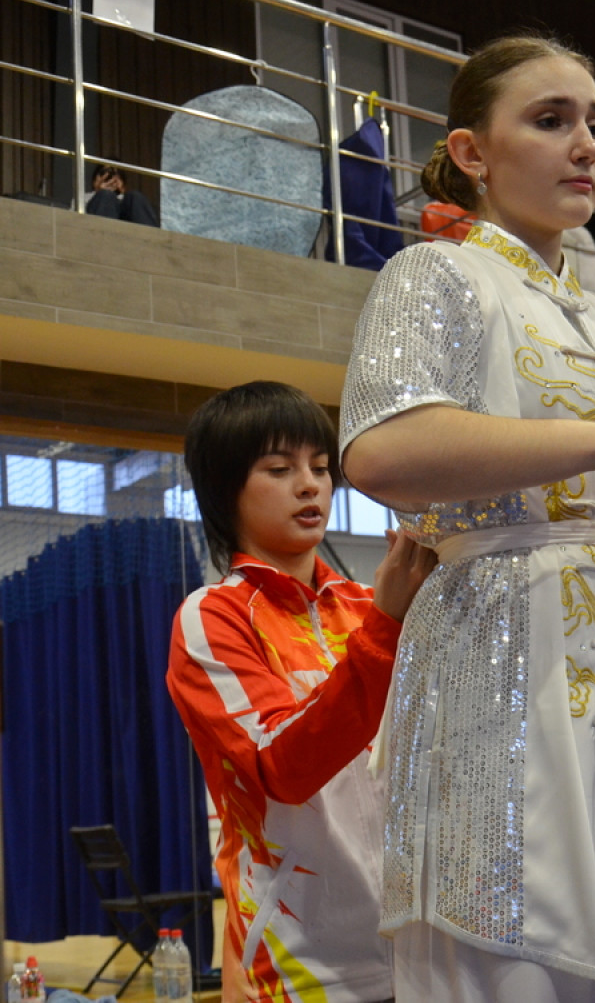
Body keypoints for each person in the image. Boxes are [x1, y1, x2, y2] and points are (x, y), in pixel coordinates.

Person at [339, 34, 595, 1000]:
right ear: (473, 153)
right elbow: (382, 452)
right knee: (515, 949)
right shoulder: (436, 275)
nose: (586, 146)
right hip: (499, 662)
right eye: (550, 120)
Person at [165, 380, 436, 1003]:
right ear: (225, 489)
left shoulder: (367, 606)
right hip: (301, 966)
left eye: (319, 467)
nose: (311, 485)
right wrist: (387, 628)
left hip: (420, 950)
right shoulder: (212, 617)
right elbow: (282, 768)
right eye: (279, 469)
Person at [84, 162, 158, 226]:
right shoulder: (83, 197)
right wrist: (98, 191)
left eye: (116, 175)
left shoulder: (130, 200)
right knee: (106, 196)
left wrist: (122, 192)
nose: (111, 179)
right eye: (104, 173)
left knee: (135, 196)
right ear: (95, 179)